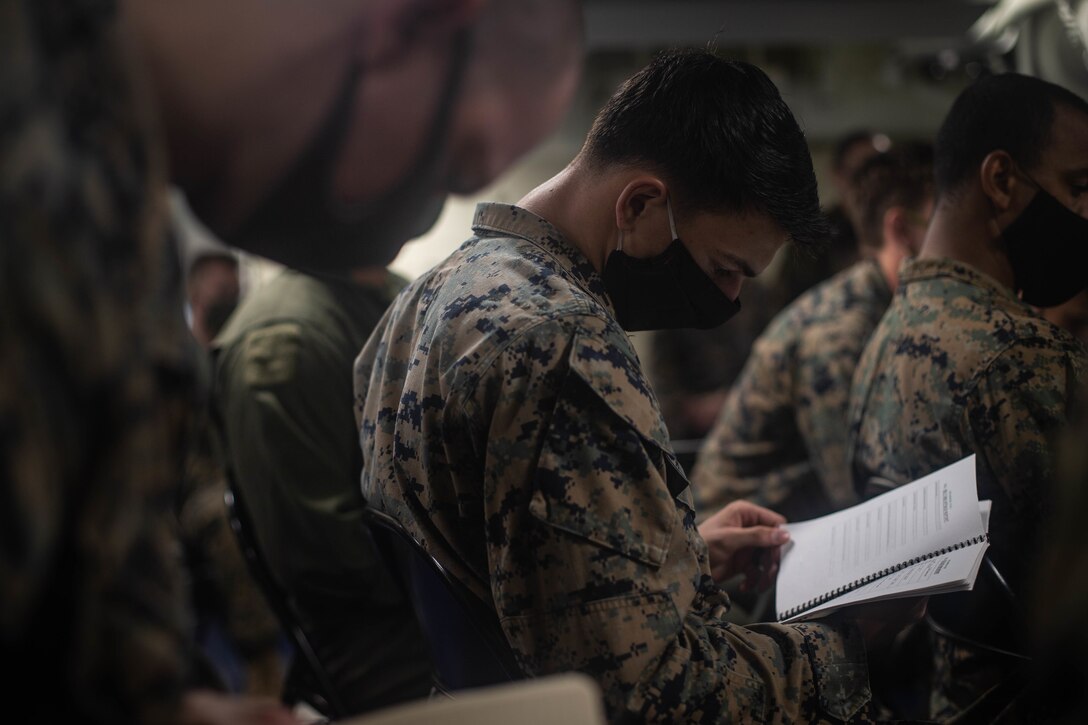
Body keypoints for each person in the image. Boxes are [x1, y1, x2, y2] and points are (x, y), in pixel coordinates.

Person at [0, 0, 582, 722]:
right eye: (453, 163)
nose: (426, 211)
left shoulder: (114, 169)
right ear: (420, 20)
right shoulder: (33, 119)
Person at [354, 49, 918, 723]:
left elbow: (507, 571)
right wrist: (848, 648)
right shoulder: (564, 343)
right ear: (642, 203)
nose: (731, 298)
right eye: (727, 267)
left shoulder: (426, 297)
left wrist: (677, 557)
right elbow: (650, 694)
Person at [846, 72, 1088, 720]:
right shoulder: (1022, 357)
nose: (1085, 214)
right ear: (1002, 180)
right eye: (1079, 187)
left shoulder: (887, 334)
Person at [211, 265, 433, 714]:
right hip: (381, 631)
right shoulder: (279, 342)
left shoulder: (389, 288)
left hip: (430, 600)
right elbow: (321, 551)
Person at [692, 144, 934, 524]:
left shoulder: (886, 309)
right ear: (901, 230)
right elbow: (852, 491)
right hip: (735, 543)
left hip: (795, 521)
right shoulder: (838, 332)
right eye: (942, 225)